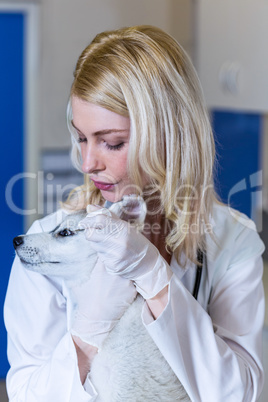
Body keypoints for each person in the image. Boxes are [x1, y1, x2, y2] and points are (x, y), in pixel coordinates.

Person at [4, 25, 265, 401]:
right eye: (81, 138)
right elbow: (28, 395)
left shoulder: (231, 242)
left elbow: (242, 395)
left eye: (112, 143)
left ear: (170, 135)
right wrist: (89, 331)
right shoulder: (45, 250)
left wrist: (155, 279)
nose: (89, 162)